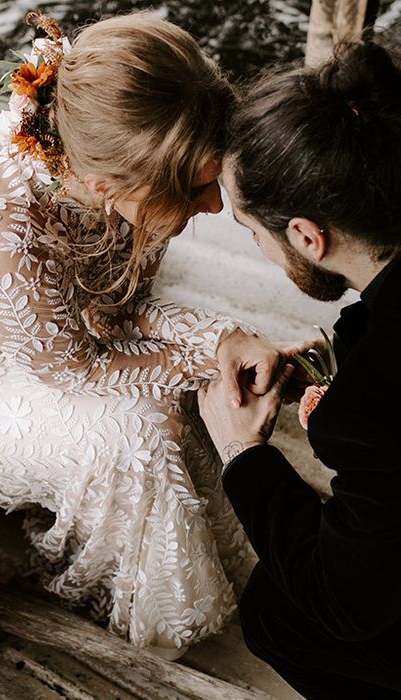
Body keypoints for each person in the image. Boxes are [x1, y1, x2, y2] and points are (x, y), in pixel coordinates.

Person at [0, 11, 279, 656]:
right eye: (195, 190)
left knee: (172, 383)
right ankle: (154, 624)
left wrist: (219, 341)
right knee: (130, 434)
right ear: (107, 187)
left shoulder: (103, 150)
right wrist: (205, 353)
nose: (214, 206)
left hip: (31, 337)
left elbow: (112, 307)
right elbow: (80, 364)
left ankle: (220, 545)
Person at [199, 41, 401, 697]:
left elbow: (346, 601)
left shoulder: (370, 411)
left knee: (276, 613)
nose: (255, 246)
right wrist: (323, 364)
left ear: (309, 237)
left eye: (252, 230)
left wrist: (240, 451)